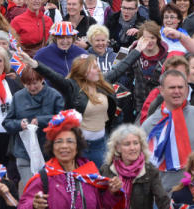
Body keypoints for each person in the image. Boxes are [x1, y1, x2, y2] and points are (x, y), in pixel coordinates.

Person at [17, 35, 150, 166]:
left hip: (101, 143)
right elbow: (52, 75)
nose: (98, 70)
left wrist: (138, 50)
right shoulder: (71, 87)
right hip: (80, 146)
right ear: (83, 71)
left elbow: (121, 67)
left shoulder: (103, 81)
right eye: (94, 67)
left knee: (102, 181)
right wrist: (34, 64)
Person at [141, 68, 194, 189]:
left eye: (180, 87)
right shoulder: (149, 125)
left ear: (187, 90)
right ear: (161, 91)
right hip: (165, 197)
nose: (177, 91)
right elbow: (142, 166)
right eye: (172, 88)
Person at [16, 109, 121, 209]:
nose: (64, 146)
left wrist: (111, 193)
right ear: (52, 147)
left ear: (77, 146)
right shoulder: (44, 177)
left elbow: (101, 205)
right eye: (59, 141)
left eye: (70, 141)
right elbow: (23, 205)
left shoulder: (89, 173)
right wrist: (34, 205)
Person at [1, 67, 65, 187]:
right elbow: (7, 122)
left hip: (49, 152)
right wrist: (19, 124)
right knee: (31, 189)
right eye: (27, 84)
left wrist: (42, 120)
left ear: (42, 79)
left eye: (35, 83)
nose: (32, 88)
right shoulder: (18, 97)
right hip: (24, 152)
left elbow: (63, 119)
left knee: (50, 190)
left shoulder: (54, 95)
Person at [99, 124, 171, 209]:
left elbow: (163, 200)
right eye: (127, 144)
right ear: (118, 148)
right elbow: (100, 202)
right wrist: (111, 192)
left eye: (136, 143)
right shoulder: (107, 170)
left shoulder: (150, 171)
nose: (132, 148)